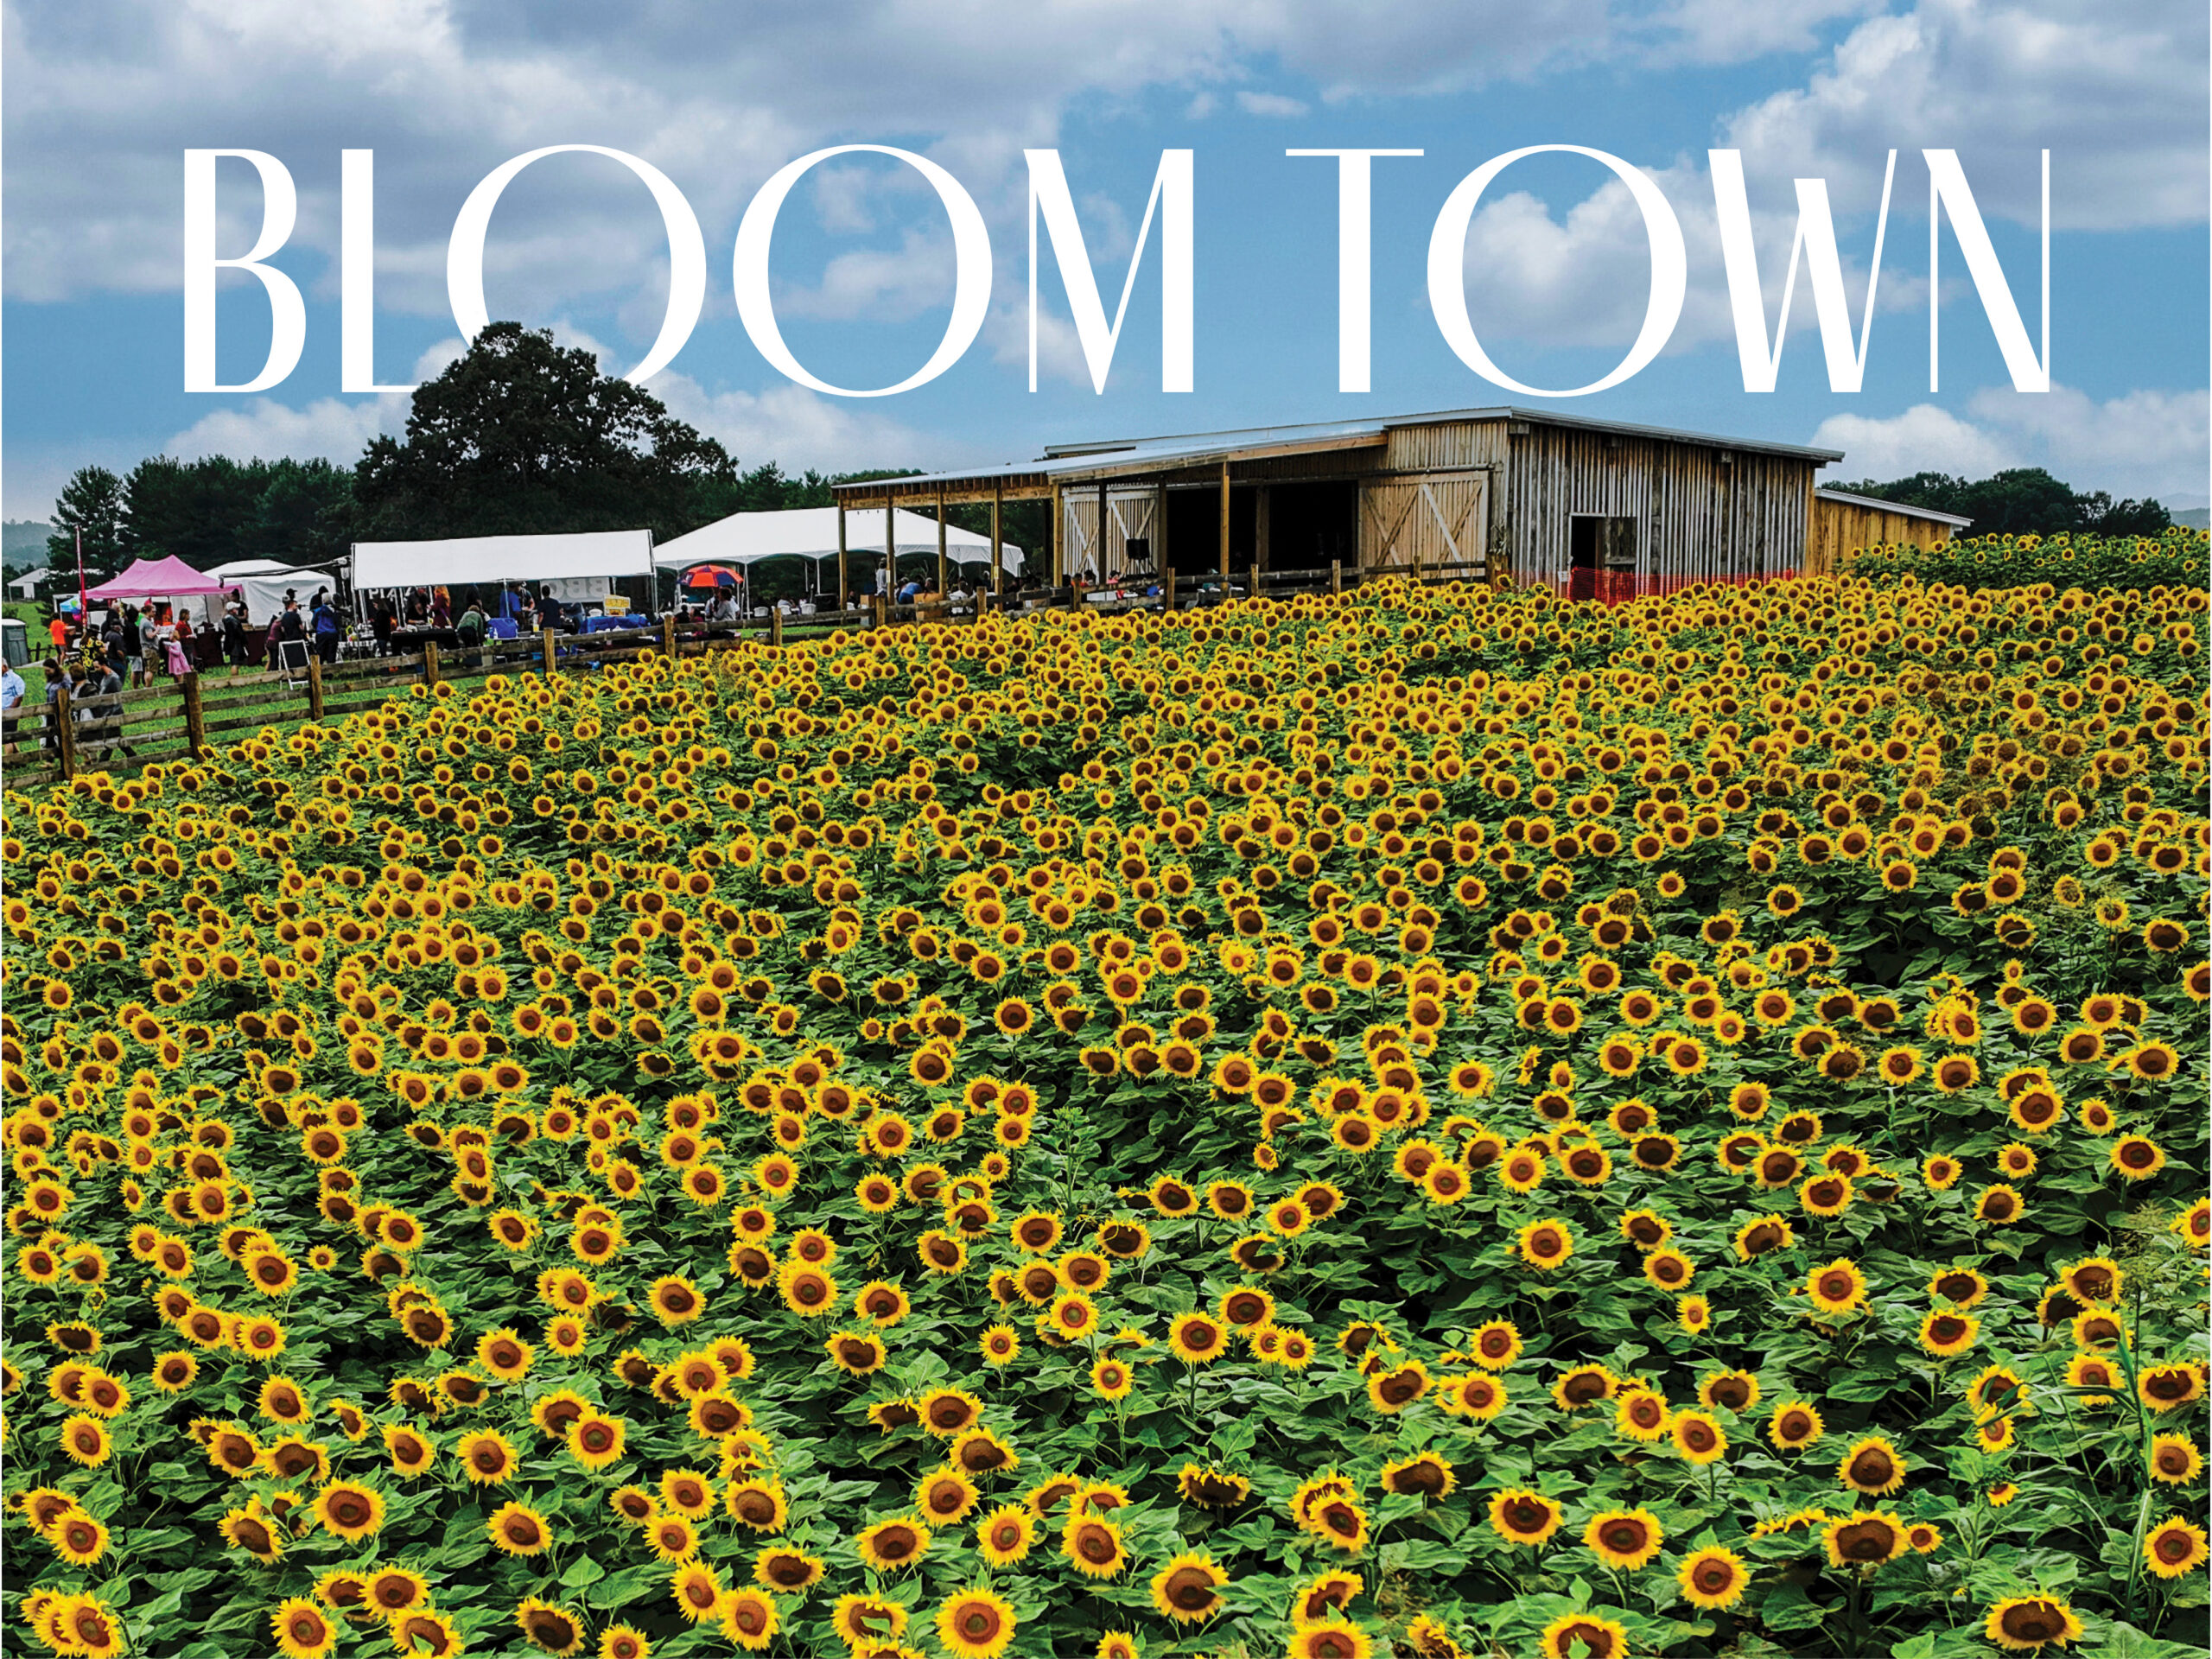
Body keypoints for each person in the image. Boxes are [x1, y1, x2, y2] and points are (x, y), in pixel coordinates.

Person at [0, 658, 23, 757]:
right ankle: (19, 759)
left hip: (10, 712)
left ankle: (7, 762)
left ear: (4, 667)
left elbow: (19, 696)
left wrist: (10, 710)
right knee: (10, 736)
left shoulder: (15, 678)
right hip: (2, 711)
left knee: (6, 737)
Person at [312, 594, 341, 664]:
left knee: (320, 654)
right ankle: (330, 673)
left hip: (321, 633)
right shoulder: (334, 611)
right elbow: (337, 622)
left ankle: (321, 672)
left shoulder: (318, 611)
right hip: (332, 633)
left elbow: (313, 622)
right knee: (331, 654)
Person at [223, 601, 249, 677]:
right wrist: (243, 638)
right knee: (235, 662)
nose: (237, 610)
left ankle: (236, 676)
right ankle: (235, 678)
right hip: (235, 643)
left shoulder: (229, 619)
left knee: (235, 661)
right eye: (235, 609)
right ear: (232, 610)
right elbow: (237, 631)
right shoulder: (231, 620)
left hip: (232, 642)